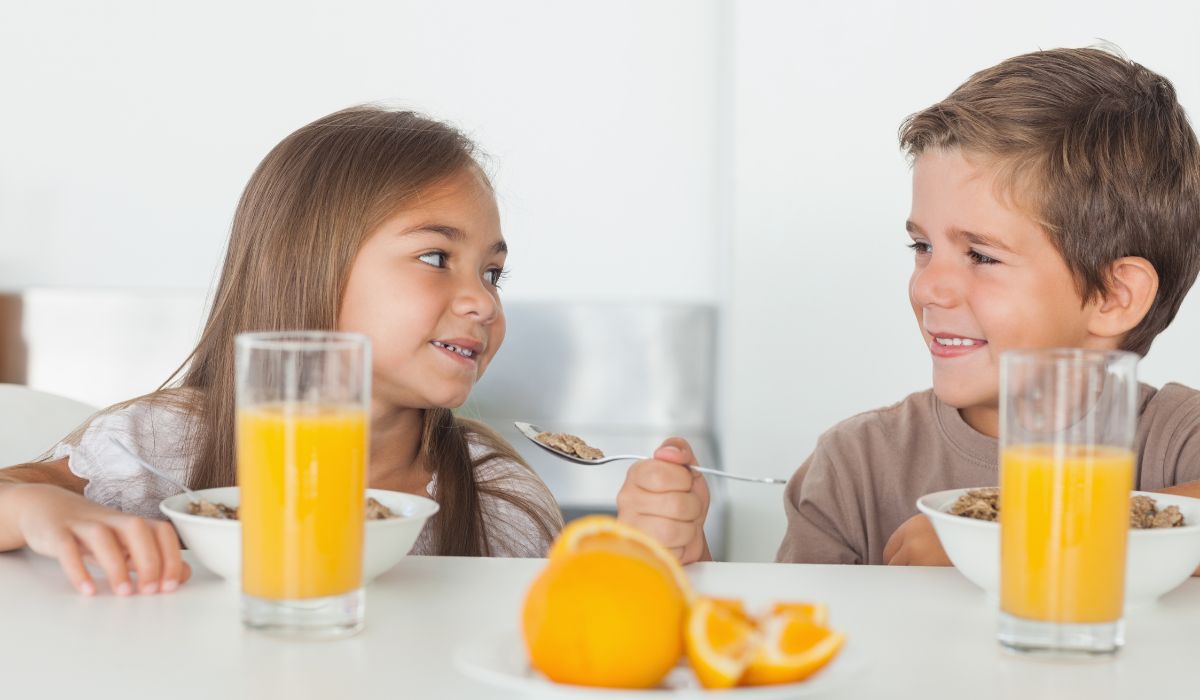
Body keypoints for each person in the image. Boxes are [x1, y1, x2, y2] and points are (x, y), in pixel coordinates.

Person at [618, 46, 1200, 567]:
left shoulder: (1176, 440)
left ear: (1114, 296)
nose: (928, 288)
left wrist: (1003, 531)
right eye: (923, 247)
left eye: (981, 256)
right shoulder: (859, 465)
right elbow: (791, 656)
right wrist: (686, 564)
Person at [0, 106, 564, 596]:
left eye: (493, 273)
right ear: (312, 267)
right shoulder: (159, 448)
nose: (482, 302)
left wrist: (648, 552)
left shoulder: (494, 494)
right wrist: (36, 508)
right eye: (437, 258)